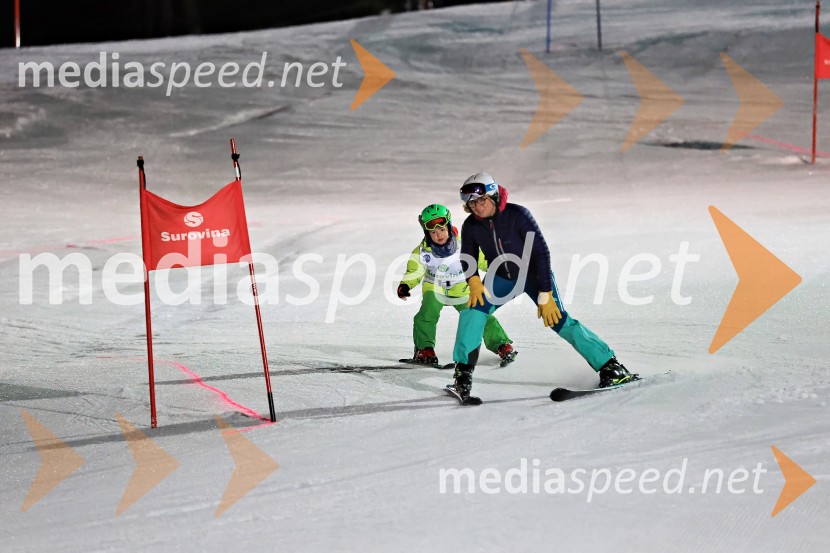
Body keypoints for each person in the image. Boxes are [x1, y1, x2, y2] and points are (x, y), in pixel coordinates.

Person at [450, 173, 635, 400]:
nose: (477, 208)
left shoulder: (518, 215)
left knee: (558, 320)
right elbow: (468, 255)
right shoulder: (471, 225)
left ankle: (611, 367)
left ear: (493, 196)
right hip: (502, 277)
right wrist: (474, 282)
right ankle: (463, 374)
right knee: (473, 312)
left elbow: (541, 253)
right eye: (472, 204)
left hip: (534, 276)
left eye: (481, 201)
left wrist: (545, 292)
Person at [397, 203, 516, 366]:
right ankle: (425, 349)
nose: (438, 235)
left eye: (442, 229)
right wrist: (405, 285)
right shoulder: (423, 252)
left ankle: (501, 344)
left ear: (449, 226)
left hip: (461, 288)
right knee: (427, 313)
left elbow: (483, 260)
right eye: (433, 232)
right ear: (426, 232)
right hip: (435, 287)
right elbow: (414, 271)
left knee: (479, 313)